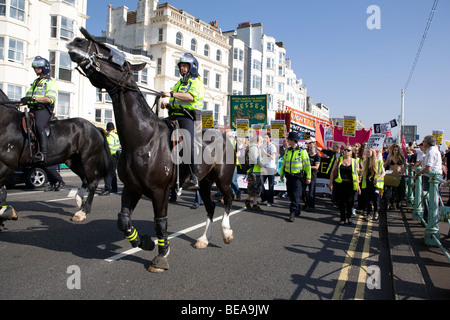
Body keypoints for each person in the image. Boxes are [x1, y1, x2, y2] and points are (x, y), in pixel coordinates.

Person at [161, 52, 205, 190]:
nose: (182, 69)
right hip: (174, 115)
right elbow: (176, 101)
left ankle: (194, 176)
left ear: (192, 67)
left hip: (188, 117)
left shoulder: (196, 82)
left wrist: (171, 94)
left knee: (189, 143)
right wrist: (167, 105)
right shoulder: (179, 83)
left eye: (185, 66)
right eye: (181, 66)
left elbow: (190, 97)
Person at [20, 56, 58, 163]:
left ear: (44, 68)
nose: (36, 70)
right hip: (32, 109)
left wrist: (34, 98)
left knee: (38, 125)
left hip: (43, 110)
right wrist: (21, 101)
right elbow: (28, 96)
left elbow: (49, 99)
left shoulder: (51, 82)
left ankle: (43, 154)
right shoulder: (35, 82)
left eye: (38, 68)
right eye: (35, 68)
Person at [280, 132, 311, 222]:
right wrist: (282, 174)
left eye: (289, 139)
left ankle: (292, 212)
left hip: (298, 177)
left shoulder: (302, 152)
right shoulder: (287, 151)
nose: (288, 141)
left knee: (296, 195)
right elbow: (283, 164)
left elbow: (307, 166)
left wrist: (308, 177)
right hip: (289, 177)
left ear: (293, 140)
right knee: (290, 194)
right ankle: (297, 208)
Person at [329, 145, 361, 225]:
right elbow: (332, 172)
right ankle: (342, 218)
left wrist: (358, 185)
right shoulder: (338, 160)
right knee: (341, 202)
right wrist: (331, 183)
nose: (346, 151)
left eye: (348, 150)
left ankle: (349, 217)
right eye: (345, 150)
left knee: (350, 202)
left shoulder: (354, 161)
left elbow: (356, 174)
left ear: (351, 152)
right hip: (340, 184)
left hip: (350, 184)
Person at [414, 135, 442, 222]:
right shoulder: (431, 151)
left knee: (429, 199)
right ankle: (429, 219)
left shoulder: (431, 152)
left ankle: (429, 220)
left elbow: (428, 167)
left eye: (424, 141)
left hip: (431, 178)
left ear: (427, 142)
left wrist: (418, 173)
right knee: (430, 199)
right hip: (432, 177)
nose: (422, 142)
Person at [361, 148, 385, 221]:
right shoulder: (365, 162)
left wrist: (378, 179)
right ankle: (369, 214)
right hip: (368, 183)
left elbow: (384, 173)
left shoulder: (379, 162)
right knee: (368, 200)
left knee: (375, 199)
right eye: (367, 152)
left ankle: (376, 212)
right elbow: (363, 172)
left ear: (373, 153)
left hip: (376, 183)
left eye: (369, 152)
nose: (367, 153)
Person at [244, 134, 264, 212]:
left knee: (252, 188)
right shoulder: (255, 148)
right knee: (256, 189)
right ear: (259, 141)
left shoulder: (250, 147)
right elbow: (256, 160)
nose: (262, 143)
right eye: (262, 141)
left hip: (252, 170)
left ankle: (248, 201)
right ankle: (254, 205)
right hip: (255, 171)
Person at [100, 122, 120, 196]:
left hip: (109, 156)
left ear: (108, 130)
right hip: (116, 156)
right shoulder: (116, 136)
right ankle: (114, 188)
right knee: (113, 172)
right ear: (113, 129)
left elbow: (107, 149)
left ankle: (107, 189)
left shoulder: (108, 138)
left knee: (107, 173)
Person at [384, 143, 406, 209]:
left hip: (400, 174)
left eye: (396, 150)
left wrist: (403, 171)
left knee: (401, 189)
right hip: (393, 174)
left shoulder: (401, 157)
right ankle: (393, 204)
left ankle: (399, 202)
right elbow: (385, 164)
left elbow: (405, 165)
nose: (395, 151)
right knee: (393, 190)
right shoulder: (390, 156)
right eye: (394, 150)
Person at [260, 133, 277, 207]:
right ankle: (263, 198)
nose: (265, 139)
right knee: (261, 183)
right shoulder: (263, 146)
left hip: (271, 167)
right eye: (264, 138)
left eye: (266, 138)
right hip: (264, 167)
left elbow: (272, 157)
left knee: (270, 185)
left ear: (270, 138)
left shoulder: (272, 146)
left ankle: (270, 201)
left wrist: (265, 153)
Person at [304, 141, 320, 212]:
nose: (310, 148)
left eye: (312, 147)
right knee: (302, 191)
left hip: (312, 177)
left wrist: (307, 167)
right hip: (305, 176)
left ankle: (311, 206)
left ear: (315, 148)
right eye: (309, 147)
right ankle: (306, 203)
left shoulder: (317, 157)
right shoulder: (307, 155)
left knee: (311, 192)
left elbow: (316, 167)